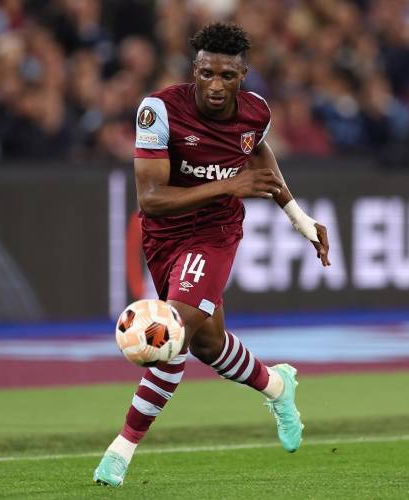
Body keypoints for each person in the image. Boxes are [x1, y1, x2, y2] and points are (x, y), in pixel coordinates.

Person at [93, 22, 330, 487]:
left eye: (227, 76)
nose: (215, 86)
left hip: (215, 234)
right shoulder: (159, 111)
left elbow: (258, 153)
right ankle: (277, 385)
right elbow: (151, 200)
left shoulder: (257, 112)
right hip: (163, 235)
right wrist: (230, 185)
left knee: (171, 333)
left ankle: (121, 450)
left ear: (243, 76)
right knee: (208, 344)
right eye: (206, 74)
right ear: (193, 71)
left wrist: (298, 216)